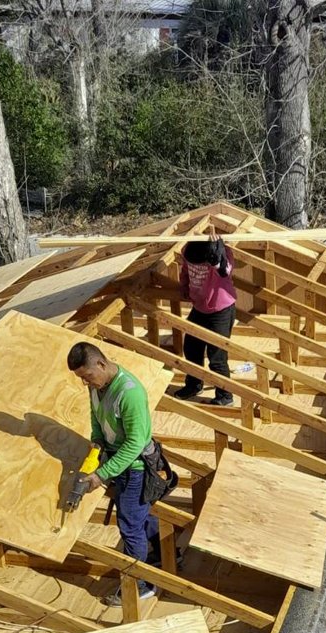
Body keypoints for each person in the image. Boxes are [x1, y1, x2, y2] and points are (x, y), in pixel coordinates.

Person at [67, 342, 159, 604]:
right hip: (117, 462)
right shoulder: (97, 386)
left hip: (135, 467)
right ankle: (166, 551)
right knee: (137, 515)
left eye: (87, 376)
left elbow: (134, 444)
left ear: (101, 364)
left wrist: (101, 474)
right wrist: (97, 444)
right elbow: (96, 418)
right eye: (81, 379)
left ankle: (141, 585)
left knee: (129, 526)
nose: (86, 383)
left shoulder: (129, 393)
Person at [174, 233, 238, 407]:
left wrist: (217, 260)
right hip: (200, 307)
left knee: (217, 356)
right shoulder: (189, 250)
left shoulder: (222, 252)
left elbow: (225, 271)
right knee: (191, 348)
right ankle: (194, 385)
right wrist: (185, 287)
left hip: (221, 309)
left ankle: (225, 395)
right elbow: (185, 271)